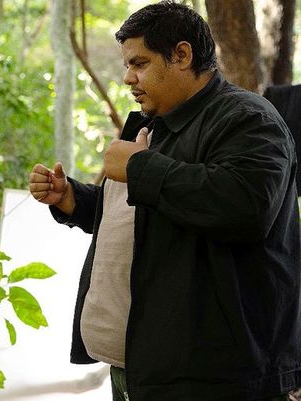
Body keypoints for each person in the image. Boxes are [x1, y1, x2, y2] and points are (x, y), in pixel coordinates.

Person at [29, 2, 301, 401]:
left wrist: (139, 168)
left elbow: (245, 208)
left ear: (182, 54)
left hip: (213, 379)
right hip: (138, 368)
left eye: (139, 63)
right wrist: (73, 199)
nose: (127, 78)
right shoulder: (150, 124)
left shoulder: (247, 118)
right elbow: (145, 218)